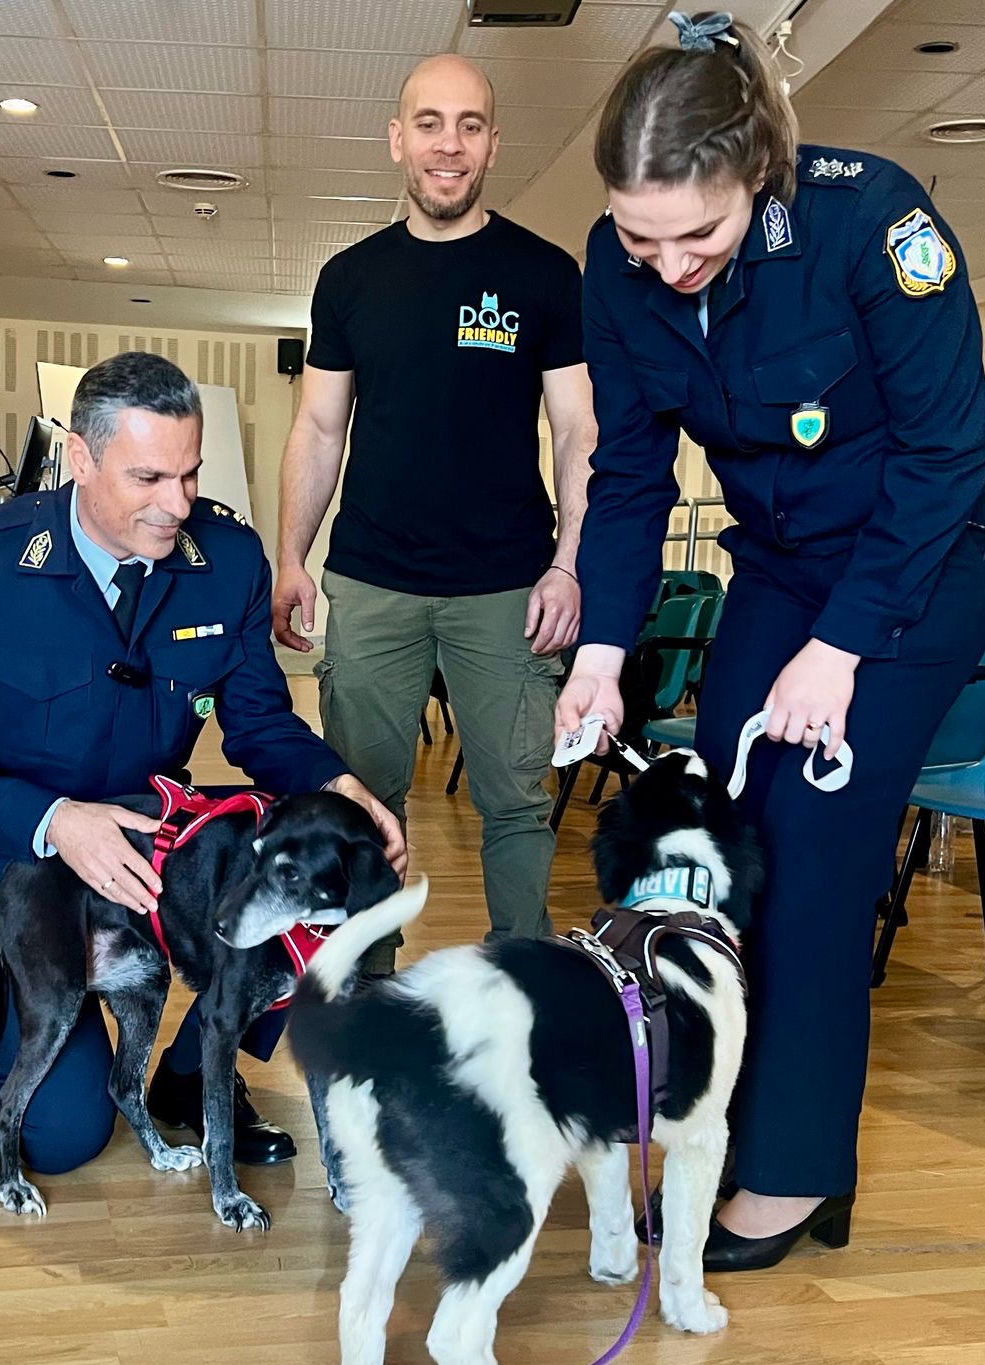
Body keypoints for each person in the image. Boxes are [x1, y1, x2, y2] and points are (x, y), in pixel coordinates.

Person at [557, 10, 985, 1269]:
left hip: (925, 557)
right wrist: (600, 651)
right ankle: (723, 1122)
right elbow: (628, 471)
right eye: (639, 237)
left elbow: (945, 458)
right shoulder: (613, 263)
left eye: (695, 235)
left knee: (812, 846)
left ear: (755, 173)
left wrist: (842, 646)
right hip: (776, 558)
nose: (665, 264)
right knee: (727, 835)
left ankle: (792, 1171)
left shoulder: (871, 225)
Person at [0, 351, 403, 1178]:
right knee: (61, 1136)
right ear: (80, 459)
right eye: (150, 478)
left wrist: (336, 786)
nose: (178, 504)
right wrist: (58, 822)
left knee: (312, 865)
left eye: (190, 474)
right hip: (15, 853)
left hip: (152, 839)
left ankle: (192, 1075)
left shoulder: (228, 559)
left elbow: (259, 723)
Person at [273, 53, 596, 971]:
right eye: (429, 123)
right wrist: (290, 558)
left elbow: (579, 430)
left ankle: (521, 985)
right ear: (396, 140)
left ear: (492, 143)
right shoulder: (350, 278)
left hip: (509, 586)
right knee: (361, 803)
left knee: (517, 802)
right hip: (373, 579)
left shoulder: (544, 275)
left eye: (469, 125)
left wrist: (570, 563)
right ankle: (368, 994)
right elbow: (319, 425)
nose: (448, 145)